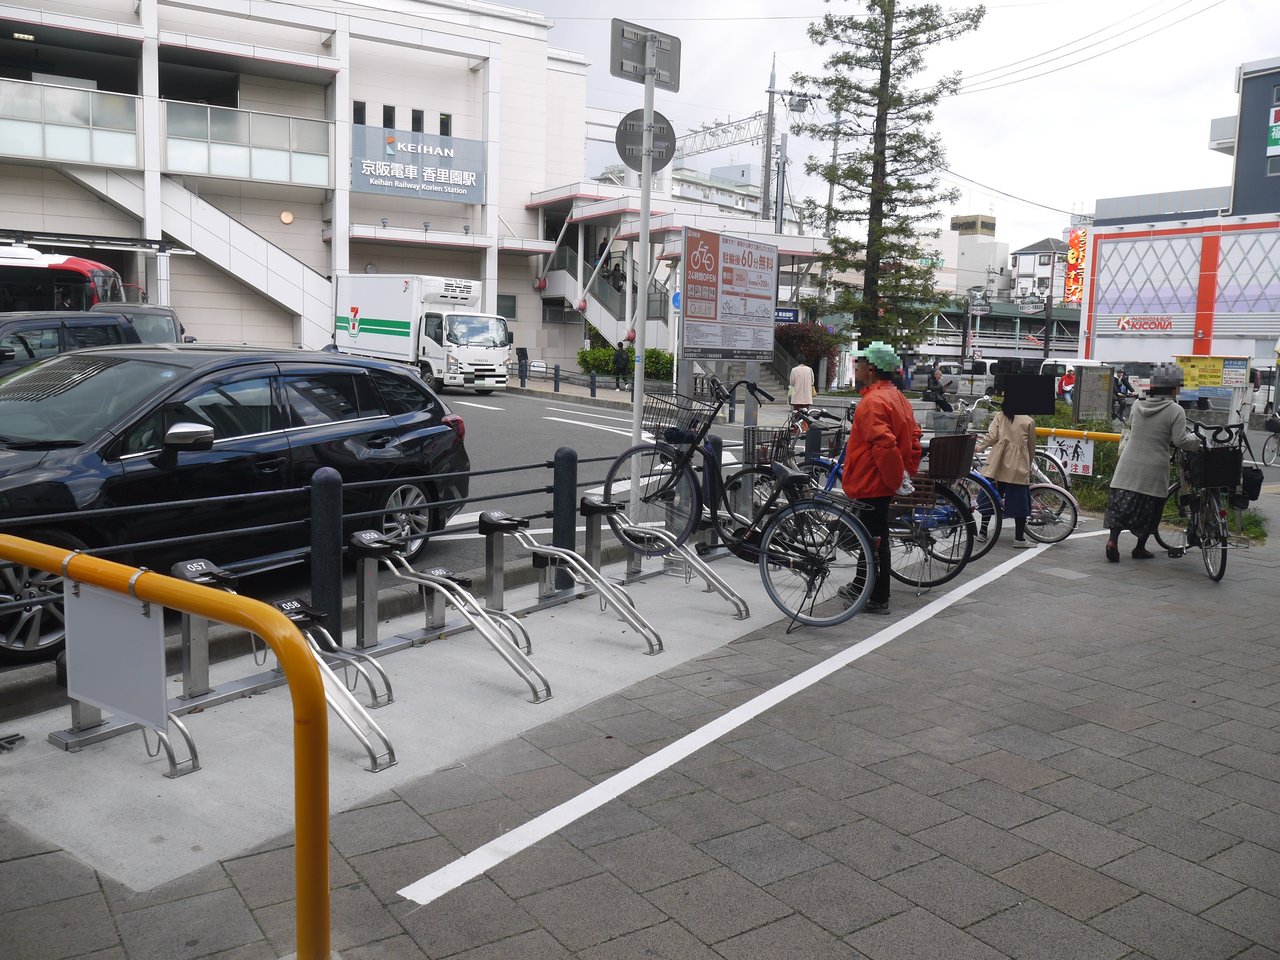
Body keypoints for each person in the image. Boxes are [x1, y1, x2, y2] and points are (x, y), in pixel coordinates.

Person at [840, 341, 923, 615]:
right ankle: (862, 585)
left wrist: (894, 477)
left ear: (873, 370)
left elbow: (883, 444)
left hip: (872, 480)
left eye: (861, 364)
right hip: (882, 480)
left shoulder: (873, 401)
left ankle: (877, 596)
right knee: (872, 535)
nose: (857, 368)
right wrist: (905, 471)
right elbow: (914, 435)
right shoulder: (897, 396)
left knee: (874, 538)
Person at [1103, 362, 1201, 562]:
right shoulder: (1175, 410)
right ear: (1173, 387)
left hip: (1128, 464)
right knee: (1150, 510)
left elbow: (1132, 427)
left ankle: (1113, 541)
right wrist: (1197, 441)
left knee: (1120, 506)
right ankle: (1139, 548)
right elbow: (1180, 440)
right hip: (1154, 467)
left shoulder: (1139, 403)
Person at [974, 401, 1037, 548]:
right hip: (1017, 465)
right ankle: (1019, 538)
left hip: (997, 462)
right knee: (1019, 500)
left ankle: (983, 533)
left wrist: (979, 448)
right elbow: (1031, 447)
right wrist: (1029, 464)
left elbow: (991, 436)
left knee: (990, 497)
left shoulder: (1000, 416)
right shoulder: (1028, 421)